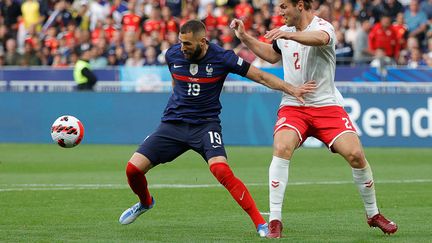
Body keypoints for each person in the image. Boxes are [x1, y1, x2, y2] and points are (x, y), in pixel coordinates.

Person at [118, 20, 316, 237]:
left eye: (188, 44)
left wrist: (291, 89)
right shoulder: (172, 55)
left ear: (203, 41)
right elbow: (177, 82)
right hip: (173, 124)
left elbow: (260, 76)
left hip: (205, 125)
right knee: (132, 169)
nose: (182, 48)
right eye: (181, 42)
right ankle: (145, 203)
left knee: (221, 169)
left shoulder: (223, 57)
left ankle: (260, 224)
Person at [230, 0, 398, 238]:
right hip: (294, 105)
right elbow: (271, 55)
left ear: (300, 5)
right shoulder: (285, 33)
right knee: (281, 146)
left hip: (326, 106)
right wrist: (244, 37)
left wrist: (290, 37)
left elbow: (319, 39)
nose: (280, 12)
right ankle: (275, 219)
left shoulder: (324, 27)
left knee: (356, 155)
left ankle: (373, 214)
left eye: (284, 6)